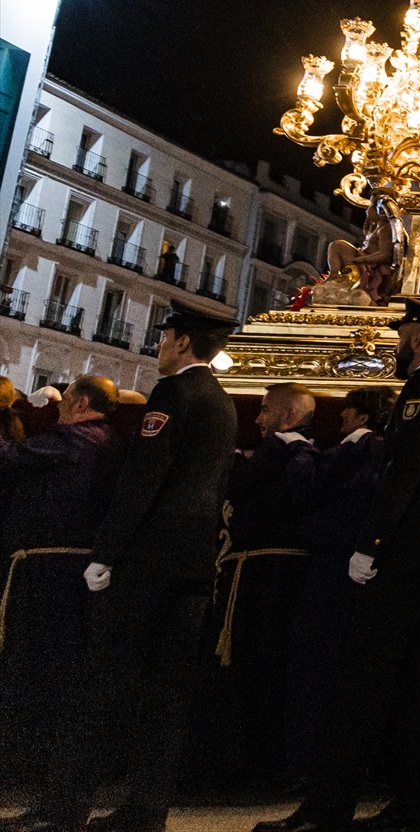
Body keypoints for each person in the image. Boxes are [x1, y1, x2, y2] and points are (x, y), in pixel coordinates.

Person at [256, 299, 420, 832]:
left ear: (419, 337)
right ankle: (413, 808)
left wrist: (371, 542)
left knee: (362, 680)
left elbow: (406, 470)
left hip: (406, 554)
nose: (395, 344)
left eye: (401, 335)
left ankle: (327, 807)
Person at [28, 304, 237, 832]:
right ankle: (147, 809)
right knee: (166, 697)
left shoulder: (174, 394)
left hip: (148, 565)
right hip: (192, 565)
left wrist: (107, 552)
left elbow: (145, 477)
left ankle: (65, 808)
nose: (161, 344)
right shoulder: (221, 400)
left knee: (101, 686)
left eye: (166, 336)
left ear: (184, 343)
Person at [0, 375, 120, 786]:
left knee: (38, 668)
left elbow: (9, 459)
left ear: (82, 402)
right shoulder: (102, 439)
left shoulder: (77, 439)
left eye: (65, 399)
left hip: (50, 574)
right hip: (65, 572)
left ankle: (34, 770)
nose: (58, 406)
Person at [201, 382, 317, 784]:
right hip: (284, 575)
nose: (257, 418)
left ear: (288, 416)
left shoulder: (281, 449)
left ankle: (245, 762)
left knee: (252, 665)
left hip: (259, 577)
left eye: (265, 410)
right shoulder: (305, 453)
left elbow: (236, 484)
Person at [284, 387, 390, 780]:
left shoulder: (352, 449)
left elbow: (308, 489)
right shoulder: (386, 450)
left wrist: (298, 448)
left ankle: (305, 761)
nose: (340, 417)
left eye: (346, 411)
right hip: (363, 567)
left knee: (316, 661)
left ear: (361, 417)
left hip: (332, 564)